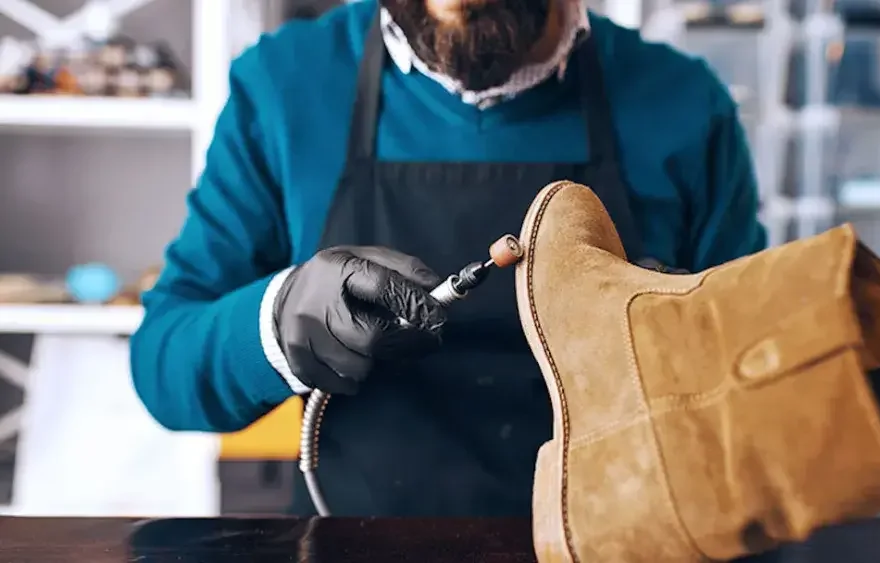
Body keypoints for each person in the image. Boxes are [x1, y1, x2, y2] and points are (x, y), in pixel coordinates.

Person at [130, 0, 767, 517]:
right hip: (353, 538)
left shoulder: (685, 104)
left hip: (625, 538)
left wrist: (682, 342)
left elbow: (757, 382)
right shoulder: (285, 86)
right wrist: (275, 321)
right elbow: (164, 369)